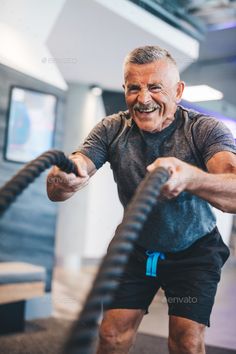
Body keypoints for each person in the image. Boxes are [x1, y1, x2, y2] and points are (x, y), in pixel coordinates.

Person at [47, 45, 236, 354]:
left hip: (195, 249)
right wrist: (65, 175)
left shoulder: (204, 130)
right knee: (110, 336)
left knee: (186, 341)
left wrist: (190, 177)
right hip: (136, 246)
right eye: (134, 88)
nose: (143, 98)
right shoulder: (112, 128)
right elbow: (63, 184)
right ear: (124, 89)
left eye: (154, 87)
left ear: (178, 90)